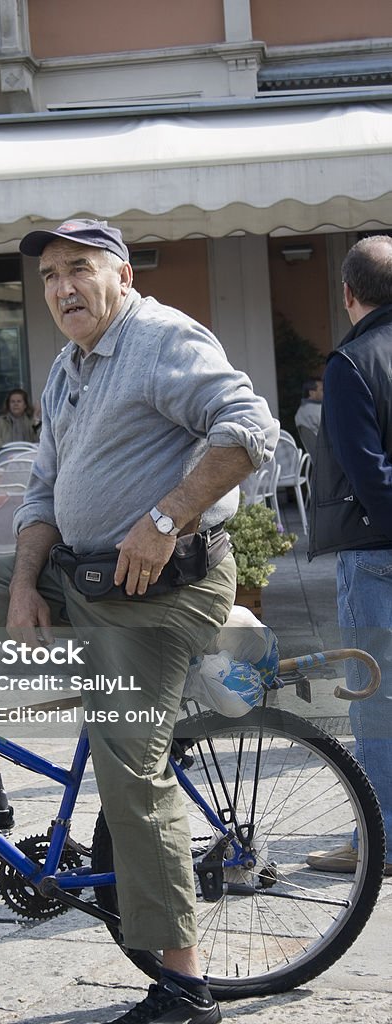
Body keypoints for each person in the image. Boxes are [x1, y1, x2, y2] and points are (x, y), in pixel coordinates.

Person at [0, 219, 278, 1024]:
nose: (62, 288)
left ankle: (184, 982)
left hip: (161, 589)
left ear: (121, 274)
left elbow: (251, 429)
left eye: (78, 269)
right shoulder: (69, 367)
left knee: (127, 767)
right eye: (48, 277)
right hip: (84, 574)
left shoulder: (160, 339)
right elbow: (43, 490)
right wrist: (22, 584)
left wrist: (167, 517)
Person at [307, 234, 392, 878]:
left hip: (375, 555)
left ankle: (380, 841)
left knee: (374, 703)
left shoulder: (351, 362)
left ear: (348, 293)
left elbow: (369, 475)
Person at [0, 388, 41, 454]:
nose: (16, 404)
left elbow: (39, 441)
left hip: (27, 459)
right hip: (5, 459)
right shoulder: (0, 422)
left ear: (25, 405)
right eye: (12, 402)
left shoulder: (30, 421)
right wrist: (5, 455)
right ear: (8, 405)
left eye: (19, 401)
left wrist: (35, 416)